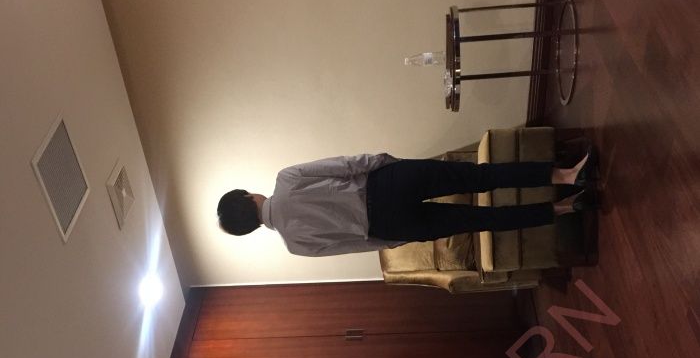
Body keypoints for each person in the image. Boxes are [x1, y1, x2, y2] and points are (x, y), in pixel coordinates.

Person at [217, 151, 597, 257]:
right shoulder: (286, 179)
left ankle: (563, 209)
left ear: (251, 228)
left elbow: (356, 246)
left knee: (483, 221)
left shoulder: (295, 246)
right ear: (248, 196)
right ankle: (566, 177)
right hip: (385, 185)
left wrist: (395, 239)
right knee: (478, 177)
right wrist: (387, 162)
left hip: (389, 225)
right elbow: (346, 165)